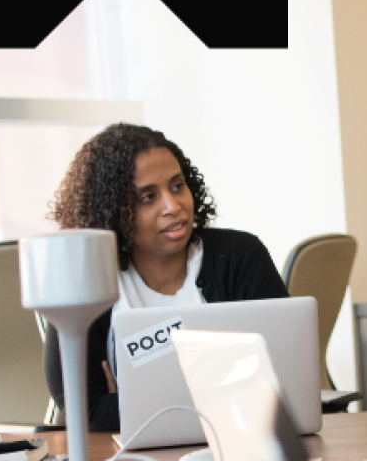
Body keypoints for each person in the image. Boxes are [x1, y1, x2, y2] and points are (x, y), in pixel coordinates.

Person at [43, 124, 287, 431]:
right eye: (147, 197)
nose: (173, 206)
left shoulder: (240, 256)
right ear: (111, 210)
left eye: (177, 186)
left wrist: (132, 403)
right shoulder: (85, 280)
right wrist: (224, 394)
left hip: (244, 450)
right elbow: (87, 410)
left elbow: (281, 381)